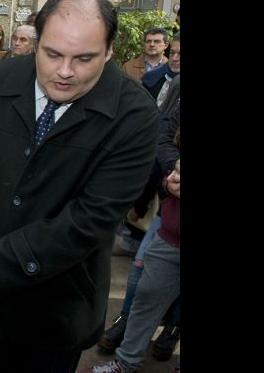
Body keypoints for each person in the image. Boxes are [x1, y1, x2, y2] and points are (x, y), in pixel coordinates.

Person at [0, 0, 159, 373]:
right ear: (36, 41)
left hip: (57, 312)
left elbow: (91, 219)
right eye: (52, 54)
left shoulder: (135, 116)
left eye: (83, 59)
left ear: (109, 51)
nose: (65, 71)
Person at [79, 109, 180, 373]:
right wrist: (173, 172)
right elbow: (165, 136)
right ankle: (126, 363)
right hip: (170, 230)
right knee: (145, 296)